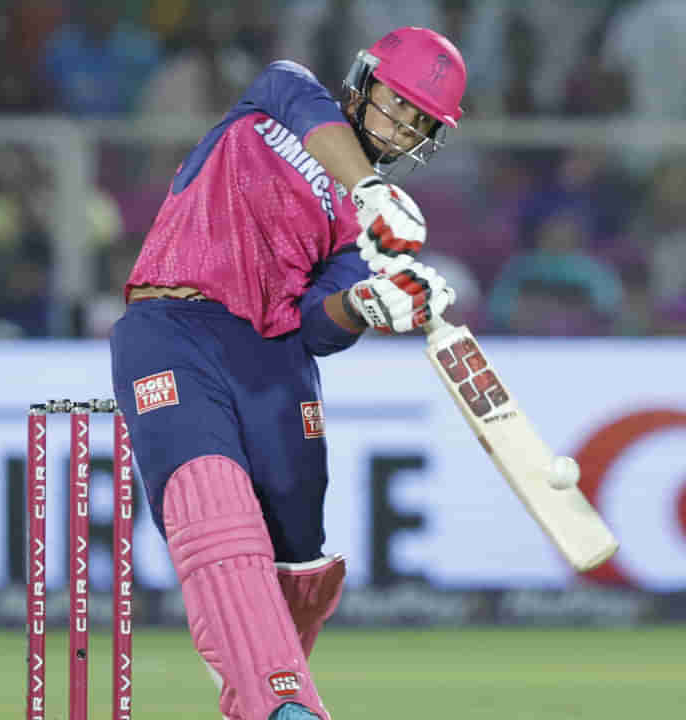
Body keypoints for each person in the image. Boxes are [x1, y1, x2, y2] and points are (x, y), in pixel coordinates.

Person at [110, 28, 465, 720]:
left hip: (275, 362)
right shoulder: (285, 94)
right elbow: (292, 97)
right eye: (397, 102)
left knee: (297, 559)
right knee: (213, 508)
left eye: (421, 121)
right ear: (363, 82)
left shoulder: (372, 237)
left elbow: (316, 328)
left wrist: (367, 302)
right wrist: (369, 189)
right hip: (174, 327)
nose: (402, 126)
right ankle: (285, 705)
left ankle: (260, 697)